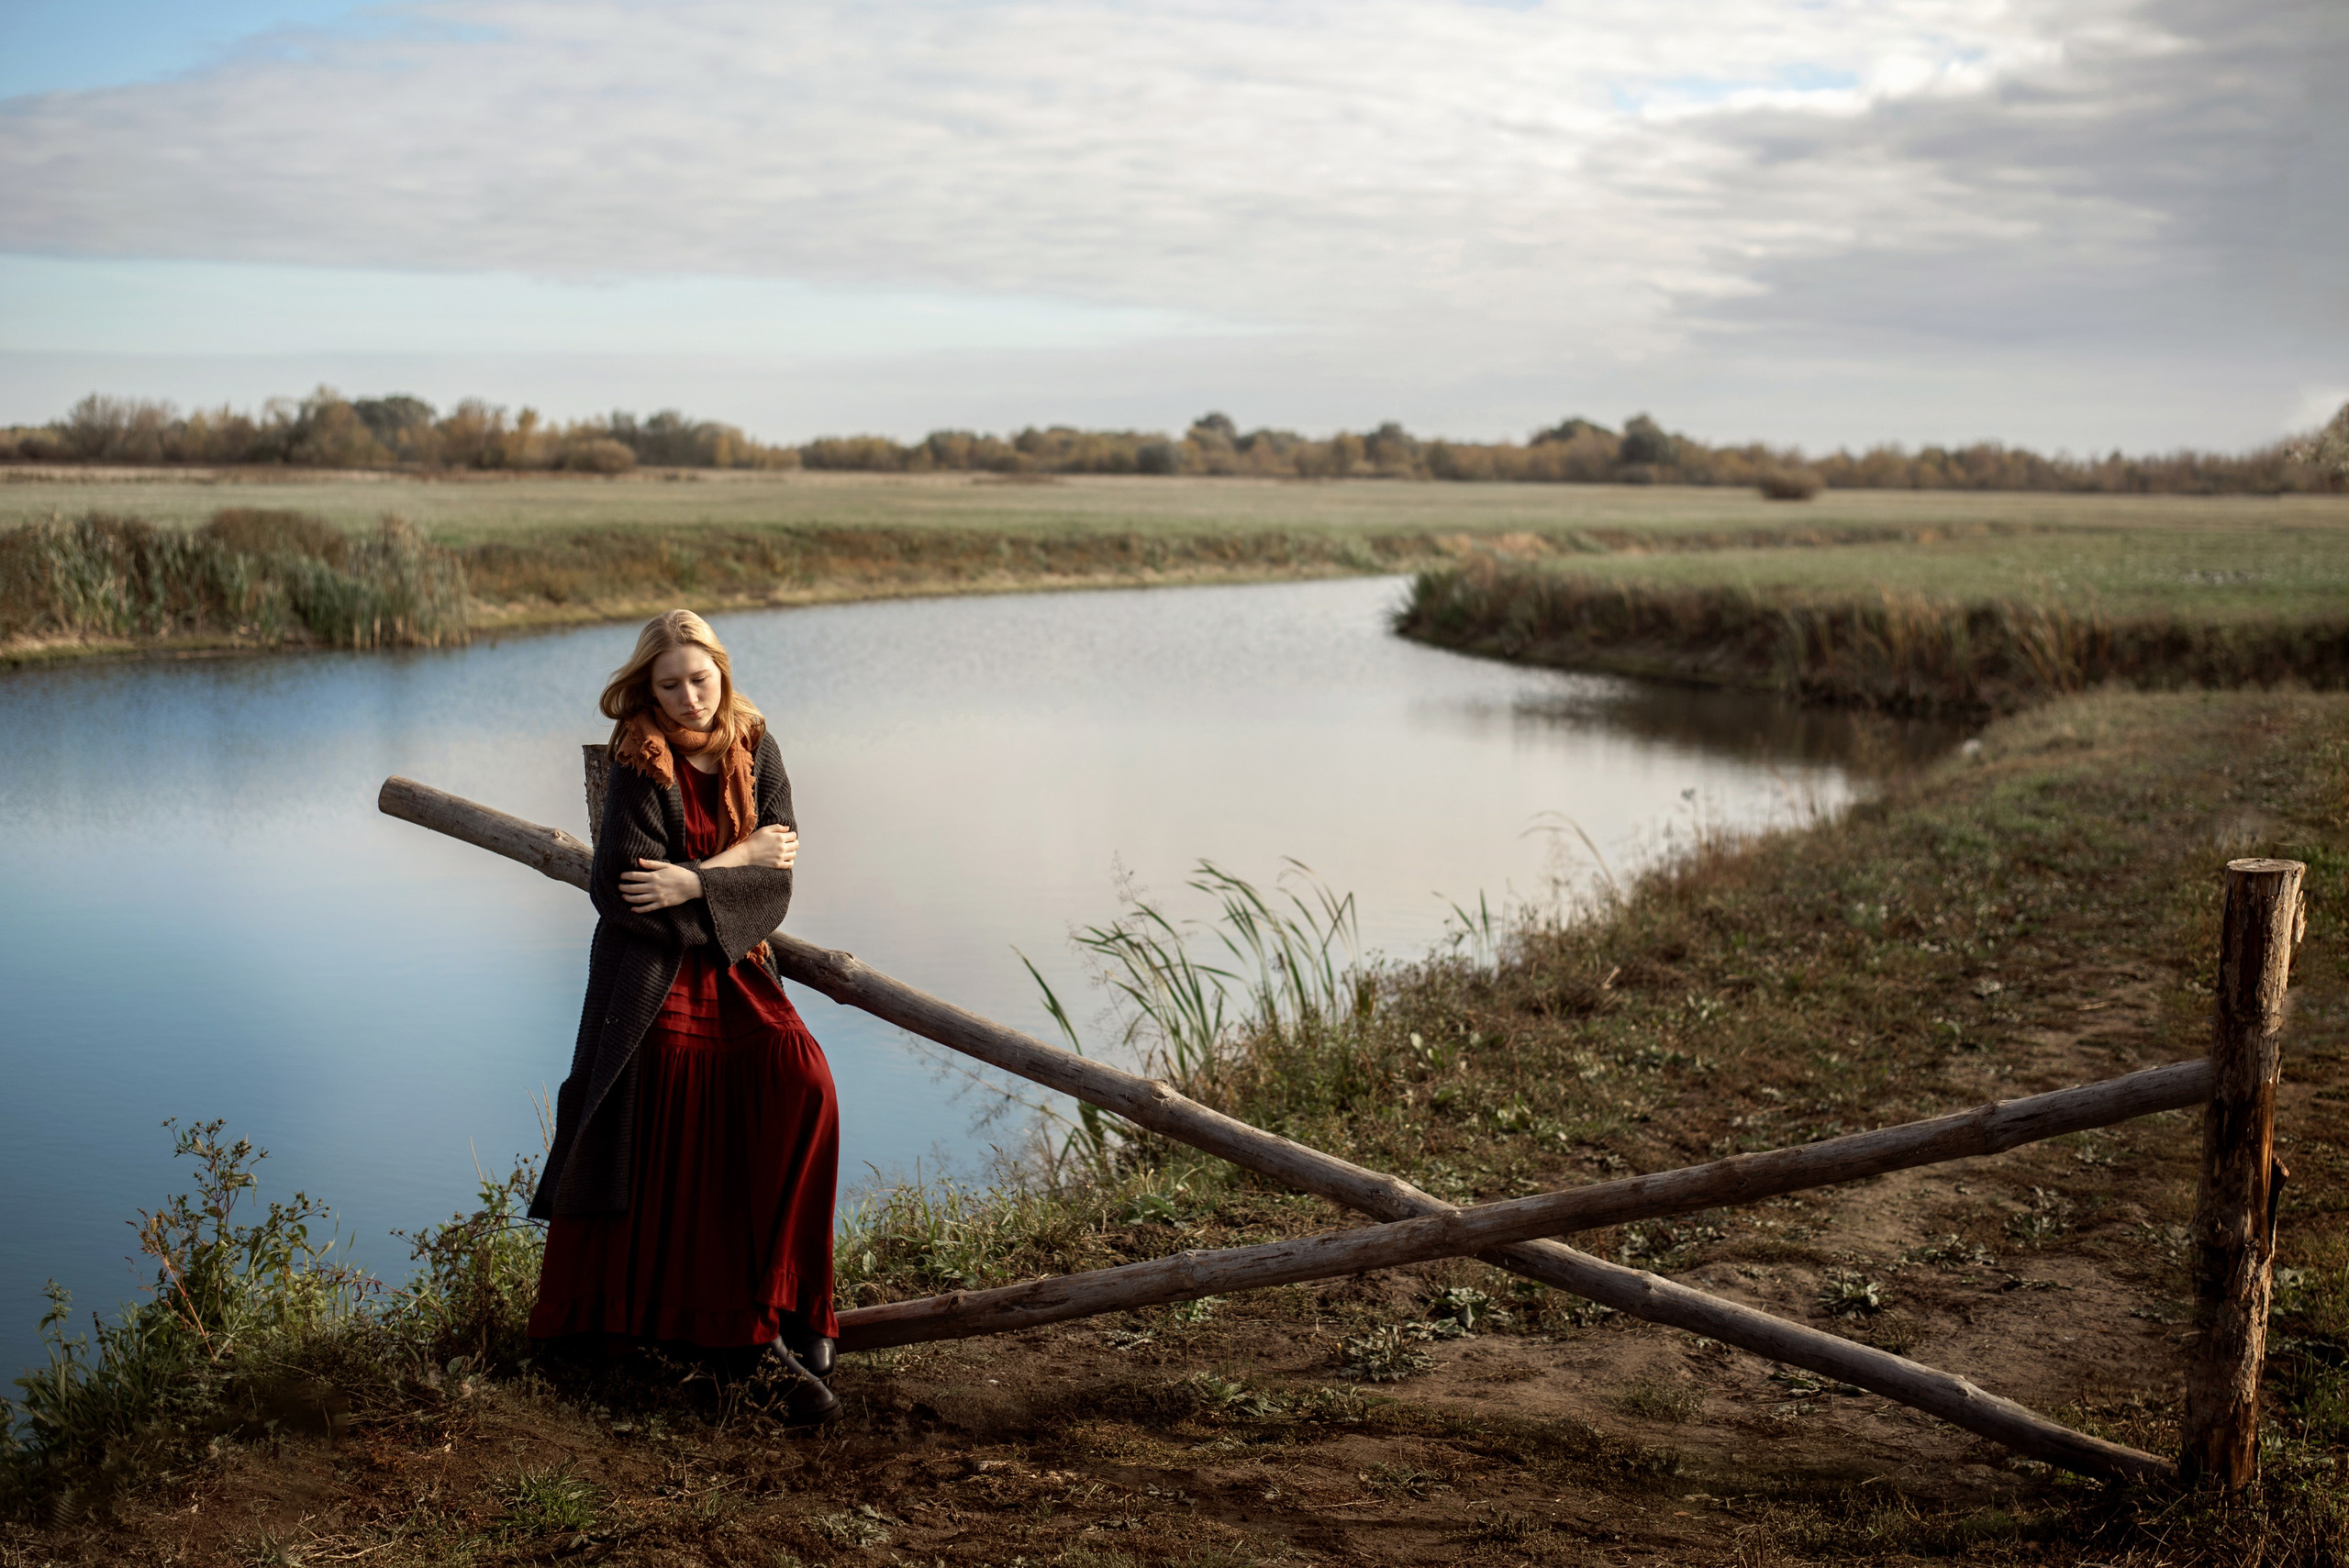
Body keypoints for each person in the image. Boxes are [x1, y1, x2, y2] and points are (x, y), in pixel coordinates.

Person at [528, 608, 841, 1421]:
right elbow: (625, 890)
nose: (687, 697)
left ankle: (794, 1300)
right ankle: (698, 1322)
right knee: (670, 1096)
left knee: (805, 1084)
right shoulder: (640, 755)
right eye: (669, 684)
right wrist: (723, 874)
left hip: (738, 962)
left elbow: (778, 872)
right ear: (648, 687)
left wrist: (697, 877)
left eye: (700, 679)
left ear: (722, 674)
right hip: (654, 973)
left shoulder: (757, 742)